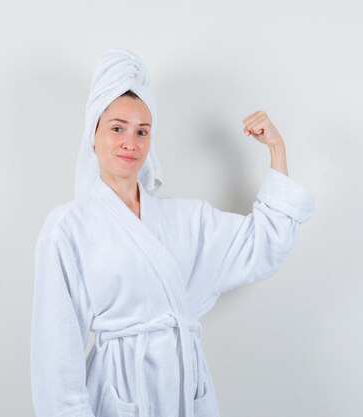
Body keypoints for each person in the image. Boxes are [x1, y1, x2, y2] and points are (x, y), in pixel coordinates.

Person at [30, 48, 316, 417]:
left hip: (186, 389)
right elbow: (56, 353)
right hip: (119, 392)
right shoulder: (67, 227)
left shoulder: (187, 219)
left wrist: (277, 149)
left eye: (142, 132)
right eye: (117, 128)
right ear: (94, 134)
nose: (130, 142)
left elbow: (262, 246)